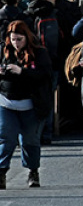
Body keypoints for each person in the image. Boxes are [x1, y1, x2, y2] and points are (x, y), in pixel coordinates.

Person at [0, 21, 52, 189]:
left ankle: (33, 171)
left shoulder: (39, 52)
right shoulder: (4, 51)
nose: (16, 43)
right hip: (6, 102)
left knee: (30, 140)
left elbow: (45, 75)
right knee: (6, 138)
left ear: (27, 37)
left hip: (30, 104)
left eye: (19, 39)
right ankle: (1, 172)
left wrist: (22, 71)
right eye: (13, 39)